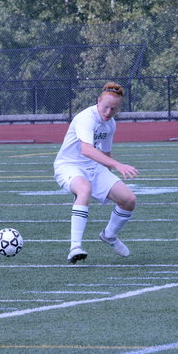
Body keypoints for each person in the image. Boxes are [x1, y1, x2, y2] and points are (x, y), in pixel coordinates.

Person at [53, 82, 138, 263]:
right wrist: (118, 165)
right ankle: (75, 248)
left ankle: (109, 235)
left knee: (129, 200)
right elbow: (87, 150)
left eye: (113, 109)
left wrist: (108, 181)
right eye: (105, 107)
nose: (108, 112)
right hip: (69, 165)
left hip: (93, 167)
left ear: (118, 108)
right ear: (98, 101)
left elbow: (105, 153)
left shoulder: (111, 124)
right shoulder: (86, 118)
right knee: (84, 189)